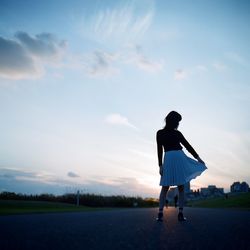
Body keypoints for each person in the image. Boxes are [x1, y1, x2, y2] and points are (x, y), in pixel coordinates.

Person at [156, 111, 207, 222]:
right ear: (174, 122)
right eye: (177, 122)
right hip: (179, 156)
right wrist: (198, 158)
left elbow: (159, 150)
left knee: (165, 186)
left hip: (168, 157)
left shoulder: (159, 133)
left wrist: (160, 165)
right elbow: (188, 146)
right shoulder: (177, 133)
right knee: (181, 187)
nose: (178, 124)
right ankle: (180, 213)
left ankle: (160, 214)